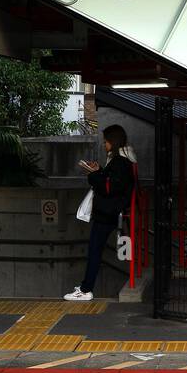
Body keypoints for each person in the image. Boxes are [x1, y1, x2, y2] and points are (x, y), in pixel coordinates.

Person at [65, 125, 136, 301]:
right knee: (95, 250)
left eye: (106, 142)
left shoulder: (120, 162)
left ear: (113, 142)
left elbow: (108, 187)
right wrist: (100, 171)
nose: (104, 145)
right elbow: (112, 182)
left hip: (107, 213)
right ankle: (85, 287)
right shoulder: (125, 161)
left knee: (94, 251)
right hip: (111, 212)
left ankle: (86, 289)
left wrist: (94, 174)